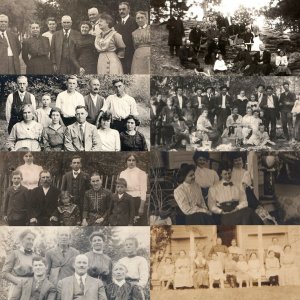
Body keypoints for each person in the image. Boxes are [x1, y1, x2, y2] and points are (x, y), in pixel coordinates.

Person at [2, 230, 36, 296]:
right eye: (28, 239)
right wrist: (19, 282)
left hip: (31, 288)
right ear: (22, 240)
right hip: (17, 287)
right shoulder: (14, 253)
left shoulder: (35, 256)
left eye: (32, 240)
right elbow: (4, 273)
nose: (31, 242)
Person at [119, 154, 147, 224]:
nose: (131, 162)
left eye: (133, 160)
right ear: (126, 162)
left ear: (136, 162)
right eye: (129, 160)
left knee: (137, 223)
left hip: (137, 201)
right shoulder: (123, 173)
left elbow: (143, 191)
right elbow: (120, 189)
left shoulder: (141, 173)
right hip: (125, 200)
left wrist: (141, 207)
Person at [115, 2, 138, 74]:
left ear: (129, 10)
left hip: (132, 53)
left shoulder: (135, 21)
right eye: (120, 9)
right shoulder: (117, 25)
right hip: (120, 55)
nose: (121, 11)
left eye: (124, 9)